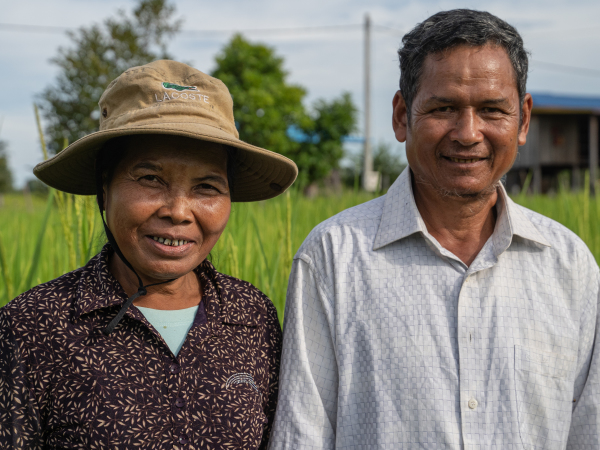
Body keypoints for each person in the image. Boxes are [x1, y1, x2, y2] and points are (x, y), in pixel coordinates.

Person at [269, 9, 600, 449]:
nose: (467, 133)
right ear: (403, 116)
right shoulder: (333, 257)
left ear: (522, 119)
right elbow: (302, 436)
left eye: (491, 110)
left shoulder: (569, 264)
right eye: (443, 108)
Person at [0, 60, 298, 449]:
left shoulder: (251, 316)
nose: (178, 210)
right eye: (150, 179)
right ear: (104, 190)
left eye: (207, 187)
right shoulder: (32, 327)